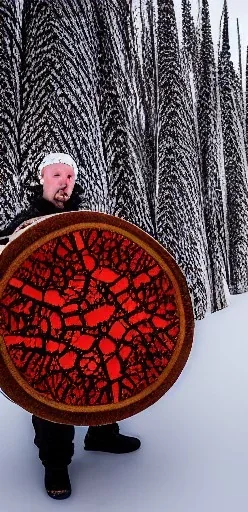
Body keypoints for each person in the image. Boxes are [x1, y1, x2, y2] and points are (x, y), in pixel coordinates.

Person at [0, 153, 141, 500]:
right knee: (52, 395)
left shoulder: (85, 220)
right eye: (56, 175)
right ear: (42, 180)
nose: (64, 182)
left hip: (91, 318)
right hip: (45, 329)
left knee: (106, 376)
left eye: (69, 176)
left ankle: (102, 433)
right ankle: (56, 463)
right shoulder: (23, 224)